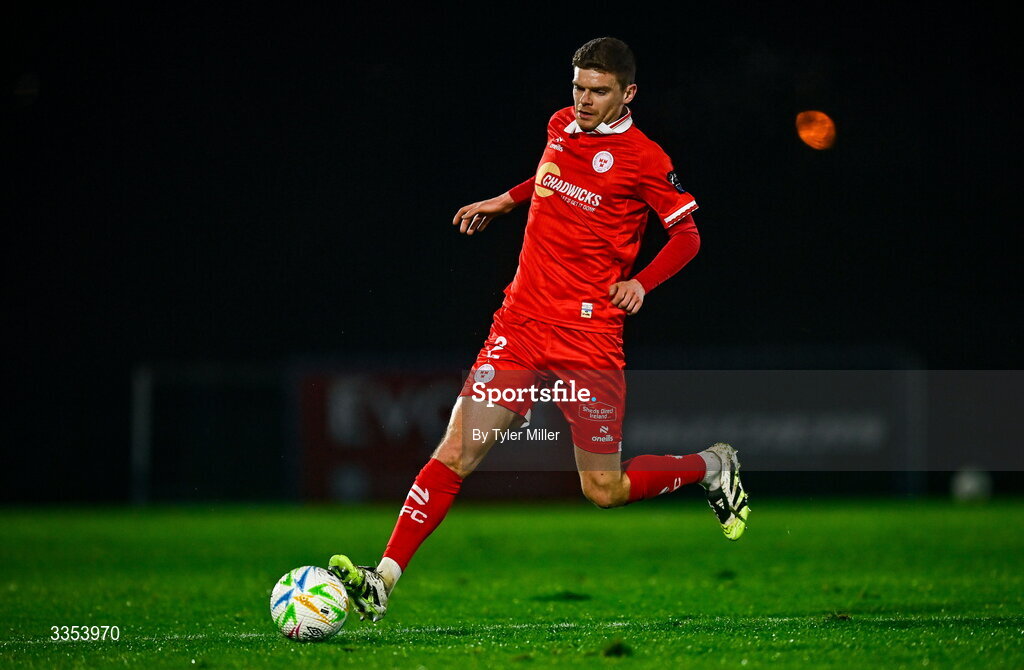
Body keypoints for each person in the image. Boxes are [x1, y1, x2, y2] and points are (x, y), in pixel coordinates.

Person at [329, 37, 749, 622]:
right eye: (578, 86)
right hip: (521, 322)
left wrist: (642, 284)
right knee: (457, 450)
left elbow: (688, 236)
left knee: (603, 491)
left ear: (628, 94)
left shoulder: (645, 158)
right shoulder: (559, 125)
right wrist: (506, 200)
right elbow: (550, 178)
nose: (583, 100)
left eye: (598, 91)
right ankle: (383, 579)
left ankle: (711, 467)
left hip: (589, 337)